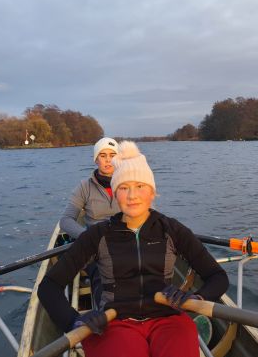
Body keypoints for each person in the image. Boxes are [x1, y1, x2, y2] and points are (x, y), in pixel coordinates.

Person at [38, 141, 229, 357]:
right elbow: (49, 287)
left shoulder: (172, 229)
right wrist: (74, 320)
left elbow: (218, 277)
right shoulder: (97, 234)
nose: (132, 195)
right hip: (115, 320)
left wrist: (198, 299)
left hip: (168, 317)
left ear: (152, 193)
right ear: (115, 195)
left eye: (140, 186)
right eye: (123, 188)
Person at [59, 137, 120, 239]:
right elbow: (66, 220)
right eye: (102, 155)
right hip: (95, 242)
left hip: (123, 242)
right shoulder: (84, 187)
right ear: (96, 159)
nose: (108, 160)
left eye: (112, 155)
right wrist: (88, 237)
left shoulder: (128, 185)